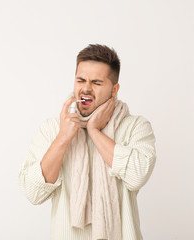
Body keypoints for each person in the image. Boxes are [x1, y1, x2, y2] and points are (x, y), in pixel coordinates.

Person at [18, 44, 156, 240]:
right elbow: (33, 193)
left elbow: (136, 176)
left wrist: (94, 131)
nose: (86, 88)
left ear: (114, 89)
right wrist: (63, 138)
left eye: (97, 82)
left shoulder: (135, 127)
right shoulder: (52, 129)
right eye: (80, 80)